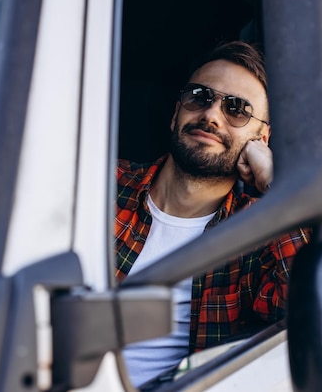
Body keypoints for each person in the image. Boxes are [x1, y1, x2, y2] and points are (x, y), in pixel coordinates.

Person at [115, 40, 311, 388]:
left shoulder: (260, 231)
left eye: (237, 109)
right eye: (200, 97)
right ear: (177, 113)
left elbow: (311, 316)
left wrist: (277, 184)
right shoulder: (102, 182)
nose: (211, 116)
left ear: (261, 138)